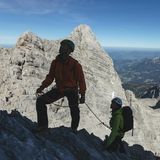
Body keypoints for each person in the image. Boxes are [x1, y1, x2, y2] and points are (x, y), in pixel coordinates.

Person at [35, 39, 86, 133]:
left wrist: (82, 95)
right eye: (61, 45)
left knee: (74, 110)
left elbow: (81, 80)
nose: (61, 47)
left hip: (72, 90)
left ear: (69, 50)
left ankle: (73, 129)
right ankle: (43, 126)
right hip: (60, 88)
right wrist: (42, 87)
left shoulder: (75, 64)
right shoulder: (55, 62)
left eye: (64, 46)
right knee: (40, 101)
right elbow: (50, 77)